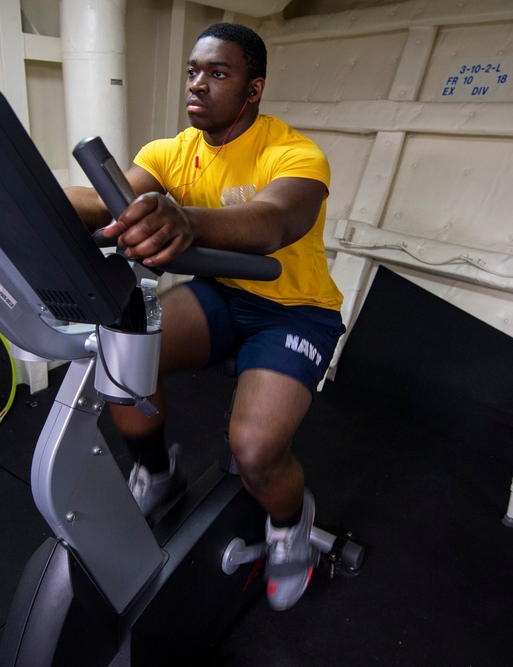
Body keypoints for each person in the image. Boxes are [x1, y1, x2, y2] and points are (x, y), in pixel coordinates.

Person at [66, 22, 344, 612]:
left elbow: (273, 222)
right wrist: (25, 196)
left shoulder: (295, 153)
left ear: (253, 90)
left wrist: (187, 220)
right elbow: (112, 199)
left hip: (294, 310)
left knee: (254, 452)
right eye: (194, 71)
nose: (198, 84)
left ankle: (291, 528)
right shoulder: (169, 152)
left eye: (218, 74)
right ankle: (157, 471)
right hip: (223, 293)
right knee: (125, 357)